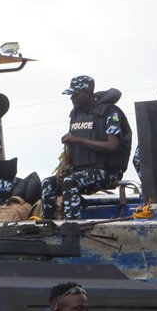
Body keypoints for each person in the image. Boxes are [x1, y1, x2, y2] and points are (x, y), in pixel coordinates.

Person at [42, 75, 130, 219]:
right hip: (80, 170)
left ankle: (72, 226)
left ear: (87, 93)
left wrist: (78, 139)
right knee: (48, 183)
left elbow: (113, 145)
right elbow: (70, 147)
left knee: (70, 182)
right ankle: (49, 224)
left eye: (75, 94)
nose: (72, 98)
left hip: (105, 171)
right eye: (71, 94)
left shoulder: (110, 112)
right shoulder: (76, 114)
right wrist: (62, 168)